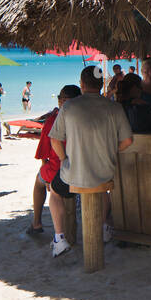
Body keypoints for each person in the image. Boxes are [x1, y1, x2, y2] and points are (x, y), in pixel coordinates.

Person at [46, 66, 134, 258]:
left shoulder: (69, 107)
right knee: (101, 188)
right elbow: (127, 141)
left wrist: (64, 160)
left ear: (82, 84)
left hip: (74, 174)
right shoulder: (114, 107)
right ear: (101, 84)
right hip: (105, 172)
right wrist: (111, 150)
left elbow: (54, 139)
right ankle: (102, 226)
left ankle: (60, 238)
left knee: (54, 190)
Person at [30, 84, 80, 237]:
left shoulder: (53, 121)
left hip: (59, 170)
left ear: (61, 101)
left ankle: (37, 223)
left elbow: (43, 153)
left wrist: (46, 177)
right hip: (83, 168)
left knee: (38, 182)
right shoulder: (85, 118)